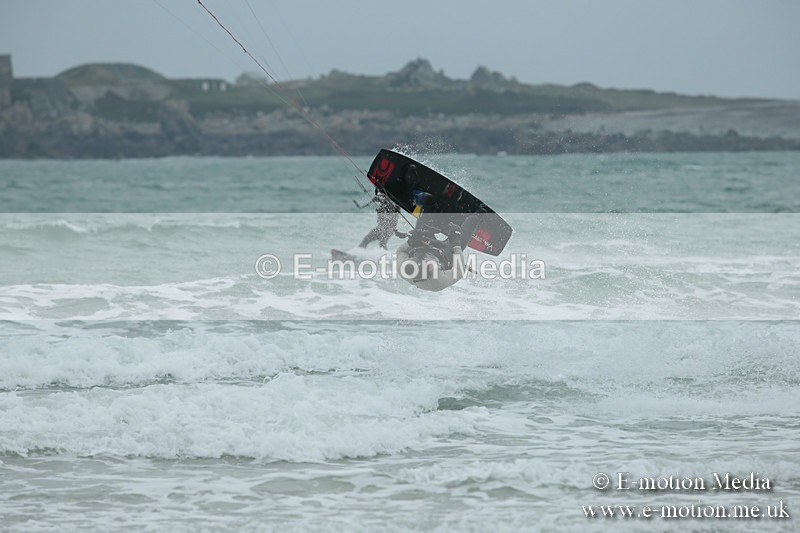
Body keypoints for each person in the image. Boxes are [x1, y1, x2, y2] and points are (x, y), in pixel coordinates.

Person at [396, 191, 481, 292]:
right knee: (473, 220)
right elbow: (459, 271)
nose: (428, 261)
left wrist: (410, 243)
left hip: (422, 244)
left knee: (429, 200)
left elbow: (401, 251)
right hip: (446, 254)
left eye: (423, 260)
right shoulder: (438, 282)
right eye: (429, 266)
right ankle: (479, 214)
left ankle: (424, 200)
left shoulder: (402, 266)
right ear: (427, 274)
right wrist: (456, 242)